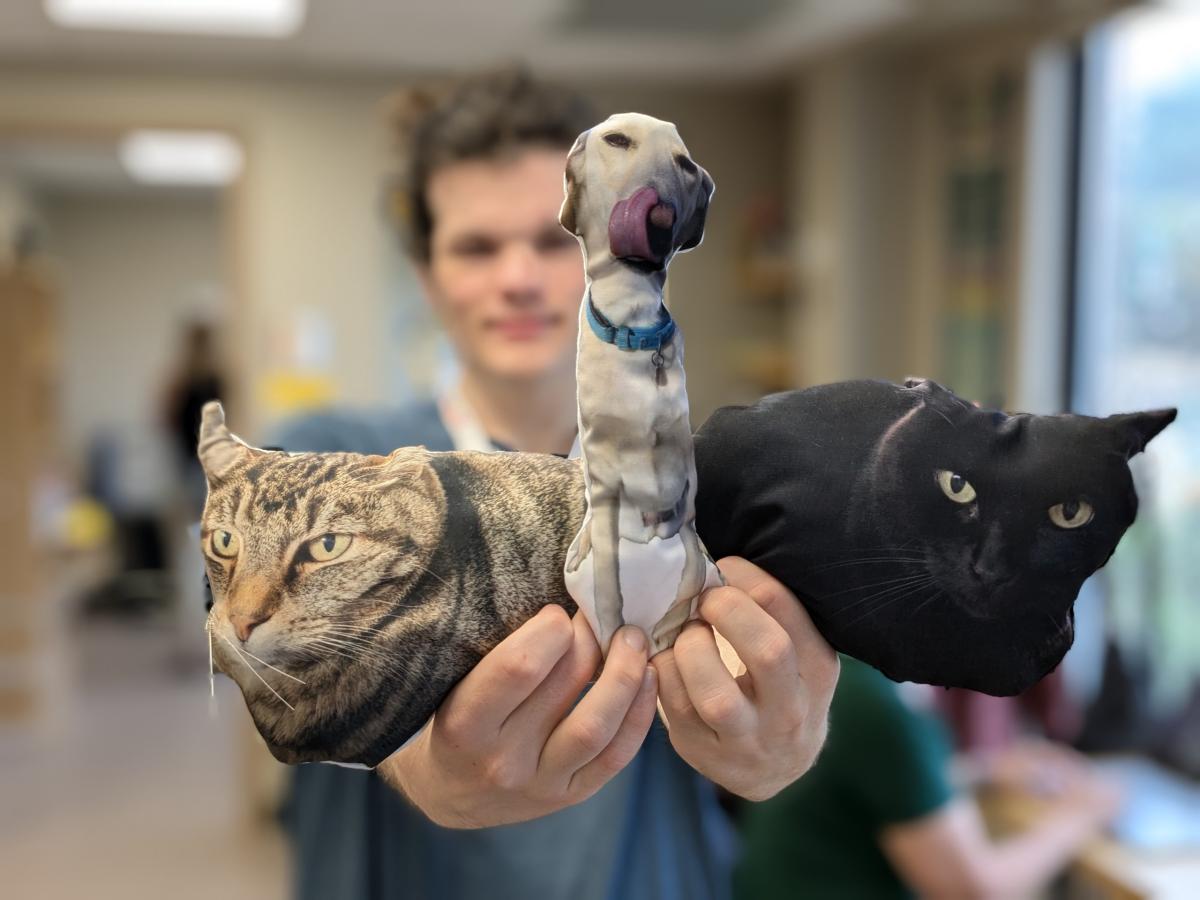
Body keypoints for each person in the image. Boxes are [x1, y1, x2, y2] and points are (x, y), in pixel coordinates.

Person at [276, 68, 839, 900]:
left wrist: (784, 741)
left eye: (549, 241)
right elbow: (273, 644)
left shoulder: (703, 492)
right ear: (427, 275)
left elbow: (749, 720)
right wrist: (407, 748)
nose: (518, 277)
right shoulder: (332, 462)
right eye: (475, 246)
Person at [734, 655, 1123, 899]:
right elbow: (974, 889)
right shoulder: (885, 708)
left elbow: (889, 784)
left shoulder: (844, 674)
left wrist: (986, 770)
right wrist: (1080, 816)